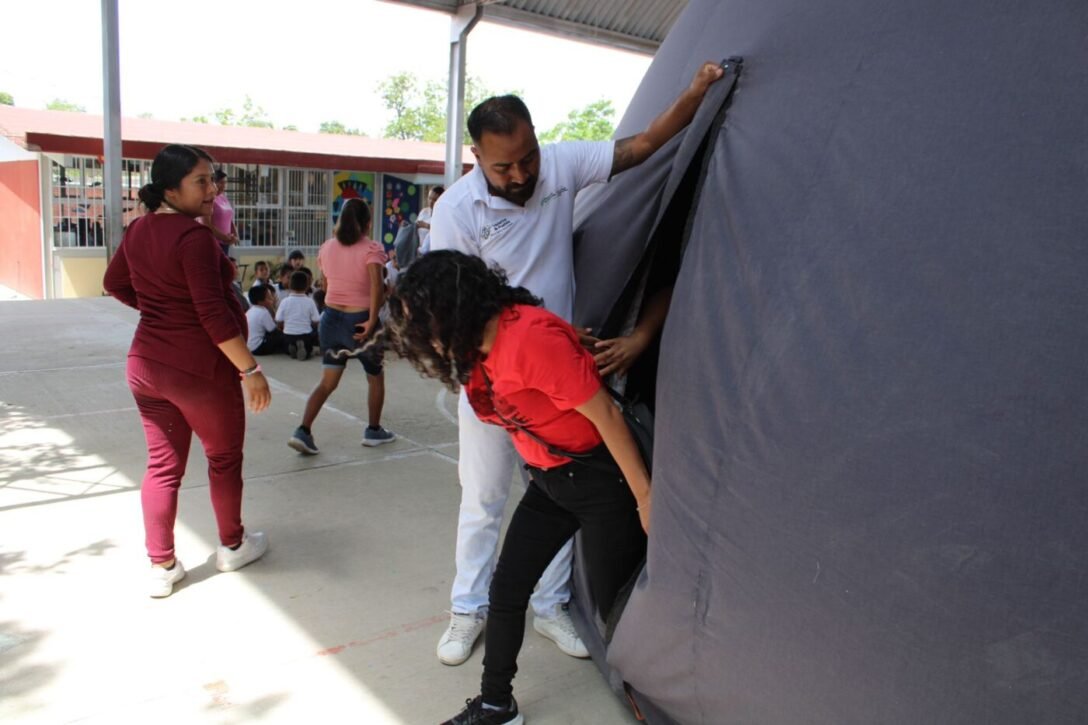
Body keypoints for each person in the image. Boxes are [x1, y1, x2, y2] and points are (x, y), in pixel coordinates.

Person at [428, 60, 725, 666]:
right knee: (482, 494)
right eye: (502, 166)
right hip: (491, 377)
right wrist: (494, 374)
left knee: (561, 485)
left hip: (554, 370)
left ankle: (550, 604)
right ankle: (467, 608)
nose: (520, 174)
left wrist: (694, 92)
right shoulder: (459, 212)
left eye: (527, 157)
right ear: (477, 159)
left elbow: (642, 147)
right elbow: (449, 308)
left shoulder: (559, 165)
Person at [378, 251, 650, 725]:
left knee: (618, 613)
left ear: (451, 309)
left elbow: (605, 415)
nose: (423, 338)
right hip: (550, 481)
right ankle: (496, 705)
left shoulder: (526, 339)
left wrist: (645, 498)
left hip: (599, 480)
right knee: (507, 590)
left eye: (423, 323)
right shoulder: (472, 350)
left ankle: (648, 704)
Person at [102, 143, 270, 599]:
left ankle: (162, 565)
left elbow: (114, 283)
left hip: (145, 365)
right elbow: (214, 315)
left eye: (213, 178)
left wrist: (159, 310)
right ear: (171, 189)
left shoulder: (139, 230)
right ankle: (232, 545)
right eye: (201, 180)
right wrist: (250, 369)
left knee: (162, 465)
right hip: (196, 369)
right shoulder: (193, 238)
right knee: (223, 459)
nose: (212, 188)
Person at [287, 197, 396, 454]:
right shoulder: (372, 249)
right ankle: (373, 430)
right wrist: (371, 319)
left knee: (327, 381)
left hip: (331, 320)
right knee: (375, 377)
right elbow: (376, 287)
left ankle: (303, 430)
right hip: (359, 321)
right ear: (367, 223)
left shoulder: (327, 248)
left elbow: (325, 287)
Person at [275, 270, 320, 360]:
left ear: (290, 285)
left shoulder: (285, 301)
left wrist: (282, 326)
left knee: (284, 345)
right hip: (305, 335)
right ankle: (305, 350)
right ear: (307, 286)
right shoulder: (310, 301)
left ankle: (291, 347)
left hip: (288, 335)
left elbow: (278, 319)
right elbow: (316, 320)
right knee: (309, 347)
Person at [202, 169, 239, 256]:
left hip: (226, 242)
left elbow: (229, 219)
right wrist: (224, 237)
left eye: (225, 183)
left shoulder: (223, 198)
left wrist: (235, 235)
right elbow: (206, 224)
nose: (224, 185)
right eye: (221, 182)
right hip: (215, 242)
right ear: (213, 183)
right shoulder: (208, 198)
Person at [246, 285, 285, 355]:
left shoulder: (250, 311)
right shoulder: (263, 312)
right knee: (282, 336)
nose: (272, 299)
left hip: (249, 347)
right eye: (269, 297)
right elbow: (273, 330)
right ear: (261, 301)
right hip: (259, 347)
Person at [415, 185, 444, 256]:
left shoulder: (443, 214)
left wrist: (427, 226)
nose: (431, 202)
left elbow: (443, 231)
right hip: (420, 250)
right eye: (429, 198)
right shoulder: (424, 212)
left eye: (434, 199)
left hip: (435, 253)